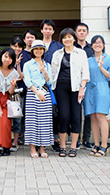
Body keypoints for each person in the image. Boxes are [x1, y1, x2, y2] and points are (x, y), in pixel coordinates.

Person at [51, 28, 89, 157]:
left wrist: (82, 88)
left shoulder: (81, 53)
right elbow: (52, 73)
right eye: (64, 37)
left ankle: (73, 147)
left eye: (69, 37)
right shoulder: (57, 53)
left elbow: (85, 72)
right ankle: (62, 147)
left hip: (76, 88)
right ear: (61, 40)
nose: (67, 39)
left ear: (74, 38)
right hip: (61, 87)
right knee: (63, 116)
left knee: (76, 117)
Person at [83, 35, 110, 157]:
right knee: (93, 117)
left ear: (104, 44)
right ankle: (96, 144)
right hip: (90, 90)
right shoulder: (88, 60)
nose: (97, 44)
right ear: (91, 46)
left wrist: (101, 67)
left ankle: (104, 145)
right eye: (95, 43)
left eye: (100, 42)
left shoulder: (108, 59)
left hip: (102, 89)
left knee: (101, 116)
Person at [23, 40, 53, 158]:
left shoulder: (47, 65)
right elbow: (27, 81)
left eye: (41, 49)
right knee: (32, 121)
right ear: (32, 51)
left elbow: (50, 81)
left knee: (44, 122)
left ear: (44, 51)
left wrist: (45, 72)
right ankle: (32, 147)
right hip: (32, 94)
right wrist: (37, 92)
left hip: (45, 94)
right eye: (36, 49)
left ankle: (42, 147)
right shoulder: (28, 64)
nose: (38, 51)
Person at [40, 19, 64, 152]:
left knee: (56, 113)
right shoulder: (37, 45)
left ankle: (55, 140)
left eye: (50, 29)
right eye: (45, 28)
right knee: (41, 112)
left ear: (53, 31)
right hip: (40, 85)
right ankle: (40, 140)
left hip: (55, 84)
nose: (48, 31)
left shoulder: (59, 46)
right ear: (42, 30)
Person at [75, 23, 94, 150]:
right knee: (76, 113)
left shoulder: (91, 49)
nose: (81, 33)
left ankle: (86, 139)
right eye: (79, 31)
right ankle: (75, 140)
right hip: (76, 85)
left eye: (84, 31)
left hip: (90, 85)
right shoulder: (72, 47)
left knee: (88, 113)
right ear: (76, 33)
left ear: (87, 33)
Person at [18, 30, 37, 145]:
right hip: (22, 89)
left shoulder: (37, 53)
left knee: (32, 114)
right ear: (24, 40)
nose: (30, 39)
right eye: (28, 37)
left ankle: (31, 137)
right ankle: (20, 137)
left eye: (32, 37)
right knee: (21, 114)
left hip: (36, 90)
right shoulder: (21, 54)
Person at [10, 36, 25, 151]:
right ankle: (5, 140)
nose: (17, 48)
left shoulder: (25, 58)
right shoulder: (6, 57)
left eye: (19, 46)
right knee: (6, 118)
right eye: (15, 46)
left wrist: (18, 64)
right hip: (7, 92)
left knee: (17, 118)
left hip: (19, 93)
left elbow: (22, 77)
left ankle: (15, 142)